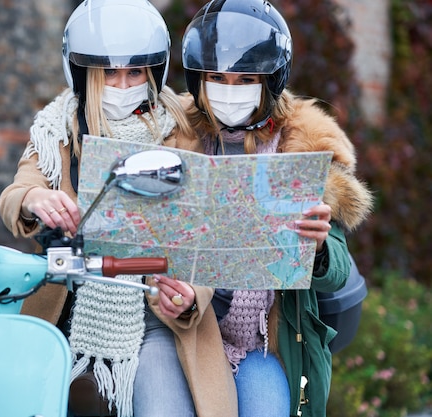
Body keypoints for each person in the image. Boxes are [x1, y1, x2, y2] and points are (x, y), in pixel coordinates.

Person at [0, 1, 237, 416]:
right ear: (82, 71)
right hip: (63, 308)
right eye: (109, 72)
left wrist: (189, 295)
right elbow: (17, 192)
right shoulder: (56, 128)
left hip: (152, 314)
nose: (122, 84)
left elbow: (202, 231)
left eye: (135, 72)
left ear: (154, 72)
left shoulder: (181, 128)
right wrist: (34, 199)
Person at [180, 1, 373, 416]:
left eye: (245, 78)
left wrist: (318, 248)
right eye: (216, 77)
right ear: (199, 79)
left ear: (269, 81)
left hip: (262, 343)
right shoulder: (183, 137)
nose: (229, 90)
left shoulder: (299, 147)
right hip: (191, 328)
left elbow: (336, 270)